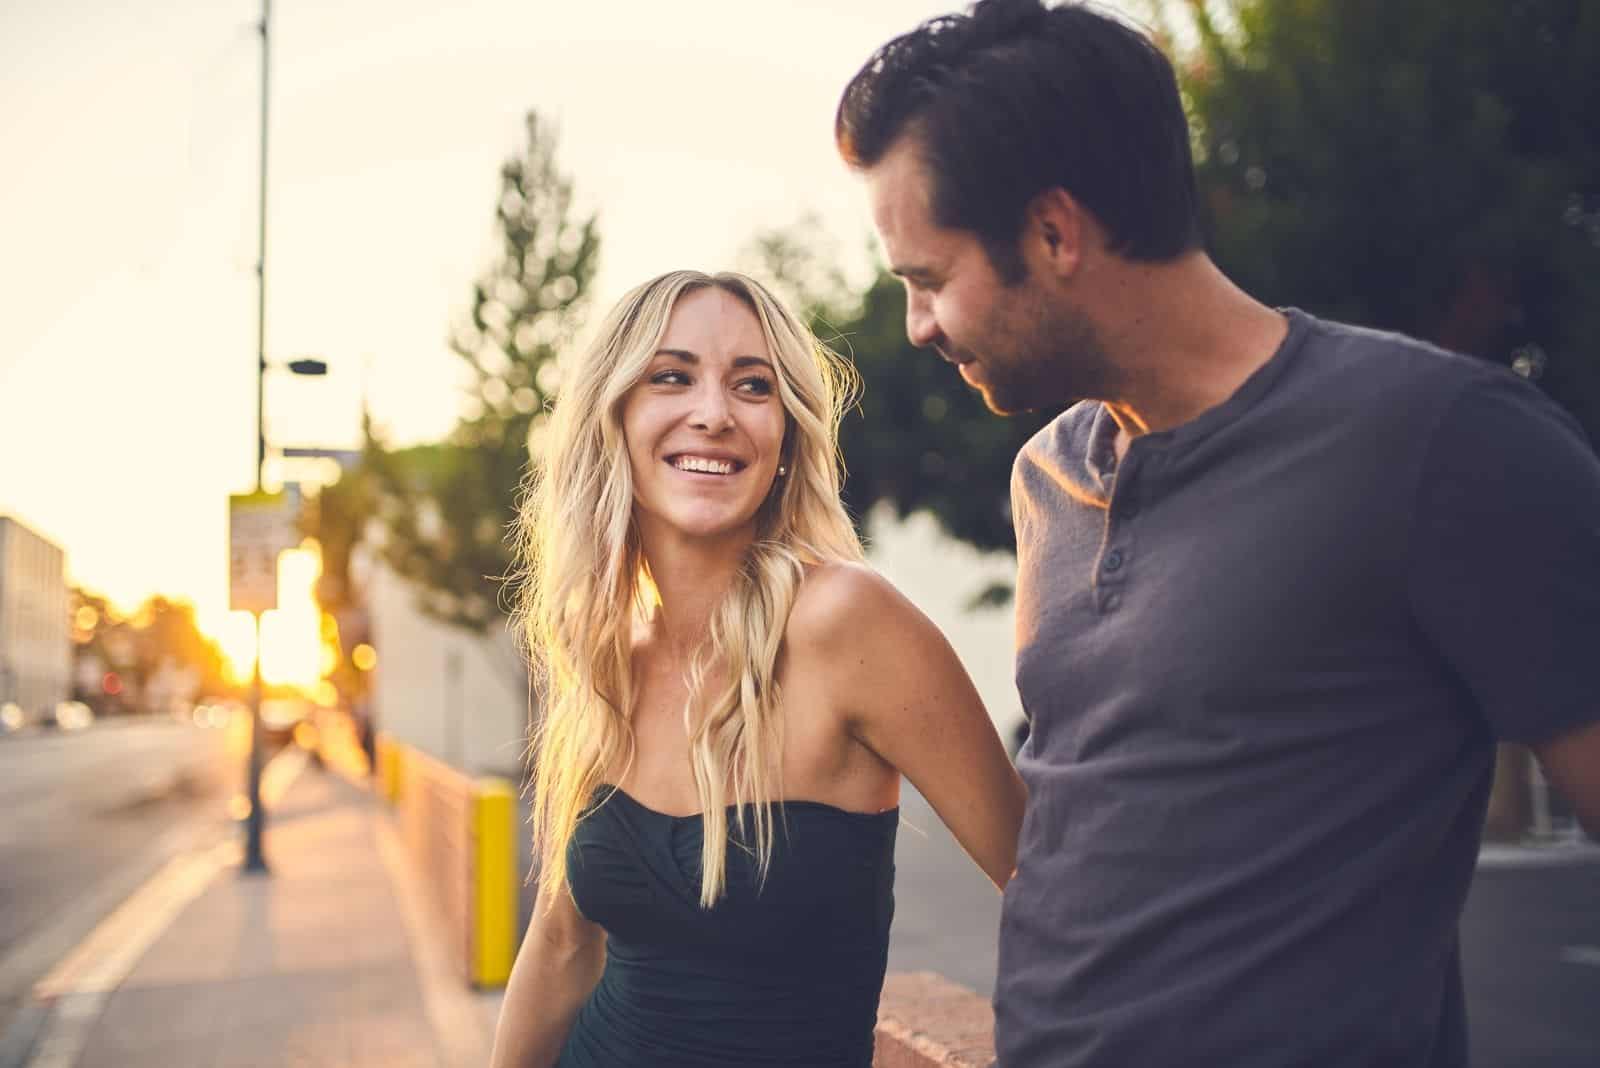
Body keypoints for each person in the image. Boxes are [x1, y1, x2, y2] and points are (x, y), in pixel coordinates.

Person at [835, 1, 1600, 1065]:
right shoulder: (1046, 475)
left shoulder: (1440, 441)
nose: (918, 325)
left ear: (1054, 234)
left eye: (927, 279)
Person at [488, 269, 1026, 1068]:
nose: (713, 414)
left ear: (786, 433)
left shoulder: (849, 622)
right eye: (672, 377)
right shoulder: (608, 657)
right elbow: (563, 945)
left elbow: (1047, 890)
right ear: (616, 418)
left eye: (753, 386)